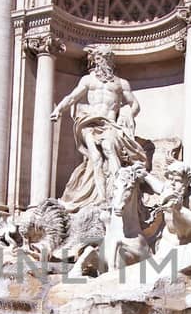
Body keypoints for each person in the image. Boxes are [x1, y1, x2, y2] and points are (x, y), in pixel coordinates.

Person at [51, 46, 146, 210]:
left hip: (109, 123)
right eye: (97, 59)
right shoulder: (88, 80)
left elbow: (135, 104)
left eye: (103, 59)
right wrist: (58, 109)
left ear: (109, 60)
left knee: (109, 148)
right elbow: (72, 96)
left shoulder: (121, 83)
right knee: (95, 157)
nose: (99, 62)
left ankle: (116, 192)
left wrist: (128, 113)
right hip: (90, 121)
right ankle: (102, 197)